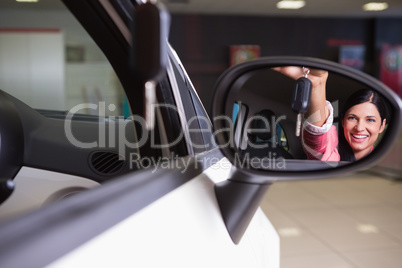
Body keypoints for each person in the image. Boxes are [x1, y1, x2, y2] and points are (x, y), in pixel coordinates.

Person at [274, 66, 388, 162]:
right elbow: (318, 140)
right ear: (343, 121)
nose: (359, 128)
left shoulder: (385, 164)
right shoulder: (333, 155)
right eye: (352, 118)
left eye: (370, 120)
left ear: (382, 126)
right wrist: (316, 85)